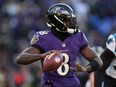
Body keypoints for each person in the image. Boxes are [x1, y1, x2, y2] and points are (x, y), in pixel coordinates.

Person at [16, 3, 103, 87]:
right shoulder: (43, 37)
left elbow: (98, 61)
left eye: (71, 20)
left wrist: (85, 68)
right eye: (67, 20)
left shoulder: (78, 36)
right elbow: (20, 58)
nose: (71, 23)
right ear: (57, 22)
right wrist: (42, 56)